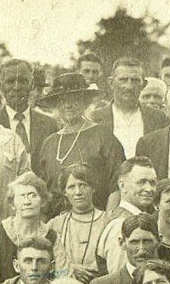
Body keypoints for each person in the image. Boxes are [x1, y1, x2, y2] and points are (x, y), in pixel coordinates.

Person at [31, 72, 121, 213]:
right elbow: (41, 192)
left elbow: (116, 185)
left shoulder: (102, 136)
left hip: (96, 221)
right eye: (62, 100)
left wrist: (107, 222)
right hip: (56, 224)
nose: (67, 105)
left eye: (73, 99)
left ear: (85, 101)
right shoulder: (49, 143)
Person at [0, 172, 54, 284]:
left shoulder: (52, 235)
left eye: (33, 195)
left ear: (42, 201)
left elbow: (63, 276)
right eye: (22, 196)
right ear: (12, 204)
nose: (27, 202)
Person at [49, 166, 110, 284]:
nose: (78, 192)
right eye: (71, 187)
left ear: (93, 188)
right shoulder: (56, 224)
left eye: (83, 185)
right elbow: (44, 261)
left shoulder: (108, 220)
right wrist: (71, 268)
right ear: (64, 192)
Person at [0, 58, 59, 162]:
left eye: (23, 81)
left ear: (31, 84)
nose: (16, 87)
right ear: (0, 86)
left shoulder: (50, 125)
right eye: (10, 81)